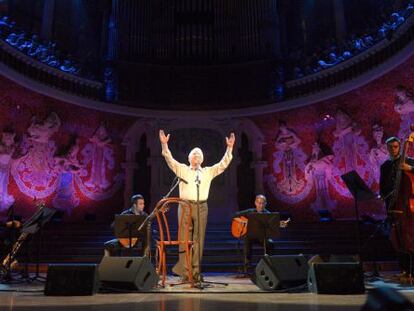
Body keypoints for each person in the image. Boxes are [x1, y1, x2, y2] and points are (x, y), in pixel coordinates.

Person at [159, 129, 235, 282]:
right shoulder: (182, 169)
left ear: (203, 159)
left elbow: (223, 164)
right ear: (189, 158)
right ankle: (185, 273)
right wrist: (164, 145)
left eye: (199, 154)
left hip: (201, 206)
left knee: (198, 239)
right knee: (183, 239)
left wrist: (229, 148)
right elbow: (169, 159)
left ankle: (195, 272)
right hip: (185, 206)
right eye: (194, 153)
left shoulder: (208, 171)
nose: (197, 155)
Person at [379, 137, 414, 277]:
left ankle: (412, 271)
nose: (393, 149)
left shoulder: (409, 161)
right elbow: (382, 188)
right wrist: (383, 196)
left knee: (410, 239)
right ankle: (404, 270)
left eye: (395, 146)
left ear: (399, 147)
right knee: (397, 240)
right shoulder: (385, 166)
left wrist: (410, 168)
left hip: (407, 208)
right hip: (392, 207)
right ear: (386, 148)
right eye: (390, 147)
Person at [234, 194, 289, 272]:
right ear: (255, 203)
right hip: (251, 236)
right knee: (246, 238)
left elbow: (273, 224)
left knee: (270, 243)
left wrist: (280, 224)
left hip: (261, 237)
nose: (261, 205)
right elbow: (235, 215)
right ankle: (247, 266)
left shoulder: (268, 214)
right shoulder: (250, 211)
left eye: (263, 203)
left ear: (265, 204)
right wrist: (243, 223)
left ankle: (268, 266)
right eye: (259, 203)